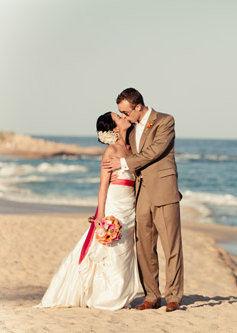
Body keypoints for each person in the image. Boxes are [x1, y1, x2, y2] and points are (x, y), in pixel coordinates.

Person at [36, 112, 140, 311]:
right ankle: (107, 297)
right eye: (119, 117)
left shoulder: (131, 148)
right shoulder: (111, 151)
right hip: (115, 203)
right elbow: (103, 185)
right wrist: (101, 215)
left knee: (126, 249)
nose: (124, 116)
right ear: (115, 129)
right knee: (113, 250)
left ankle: (120, 294)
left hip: (131, 204)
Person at [102, 88, 184, 312]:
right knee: (144, 246)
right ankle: (151, 296)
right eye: (121, 113)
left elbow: (155, 151)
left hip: (164, 190)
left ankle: (174, 296)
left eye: (126, 112)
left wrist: (123, 164)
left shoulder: (165, 121)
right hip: (139, 193)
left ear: (138, 106)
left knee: (171, 246)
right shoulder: (129, 130)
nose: (124, 117)